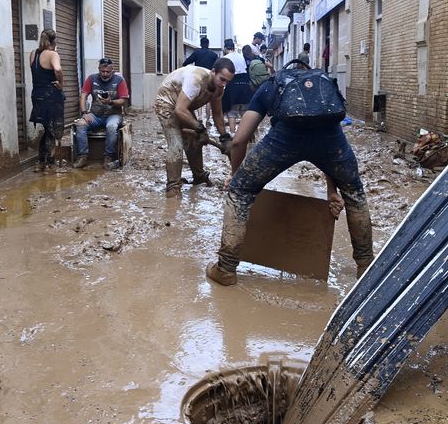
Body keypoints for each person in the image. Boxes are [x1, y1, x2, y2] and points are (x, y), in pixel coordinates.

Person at [205, 71, 374, 286]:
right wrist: (333, 190)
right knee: (355, 193)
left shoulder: (270, 86)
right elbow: (327, 147)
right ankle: (366, 267)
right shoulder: (323, 87)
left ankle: (226, 268)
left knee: (240, 191)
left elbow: (240, 140)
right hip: (332, 142)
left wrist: (237, 176)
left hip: (284, 140)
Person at [153, 58, 235, 197]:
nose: (223, 84)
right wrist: (200, 128)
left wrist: (224, 137)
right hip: (167, 103)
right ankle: (173, 188)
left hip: (184, 106)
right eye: (222, 79)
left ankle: (199, 177)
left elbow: (217, 114)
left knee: (195, 142)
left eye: (227, 81)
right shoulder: (195, 80)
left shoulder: (219, 89)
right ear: (213, 72)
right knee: (176, 144)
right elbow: (179, 110)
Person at [73, 57, 129, 170]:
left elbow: (124, 100)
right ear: (99, 69)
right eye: (102, 71)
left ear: (112, 70)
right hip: (95, 115)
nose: (105, 74)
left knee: (111, 127)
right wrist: (84, 113)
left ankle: (108, 156)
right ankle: (82, 156)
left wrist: (111, 102)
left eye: (108, 72)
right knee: (80, 125)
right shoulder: (91, 79)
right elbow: (83, 96)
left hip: (113, 114)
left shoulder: (119, 80)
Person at [29, 29, 64, 172]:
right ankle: (50, 162)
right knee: (52, 130)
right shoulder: (53, 54)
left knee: (46, 128)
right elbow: (58, 69)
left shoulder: (33, 54)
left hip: (37, 95)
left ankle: (41, 162)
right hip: (51, 96)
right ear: (54, 41)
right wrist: (61, 83)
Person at [183, 36, 219, 126]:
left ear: (200, 44)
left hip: (198, 77)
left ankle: (199, 117)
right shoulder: (213, 55)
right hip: (209, 78)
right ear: (208, 44)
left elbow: (186, 62)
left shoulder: (196, 53)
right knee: (208, 99)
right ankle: (207, 120)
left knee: (198, 97)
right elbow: (217, 66)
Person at [221, 40, 254, 137]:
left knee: (232, 113)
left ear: (226, 48)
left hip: (232, 84)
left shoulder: (225, 58)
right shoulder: (241, 57)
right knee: (244, 111)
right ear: (233, 47)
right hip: (245, 84)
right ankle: (249, 134)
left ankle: (232, 135)